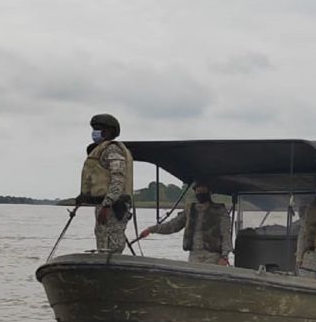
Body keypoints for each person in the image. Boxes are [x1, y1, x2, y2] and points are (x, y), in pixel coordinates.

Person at [138, 181, 232, 265]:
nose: (200, 194)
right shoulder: (190, 211)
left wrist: (224, 257)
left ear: (209, 192)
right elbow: (172, 226)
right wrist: (151, 229)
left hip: (213, 257)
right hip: (194, 256)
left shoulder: (220, 211)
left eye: (203, 191)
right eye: (198, 191)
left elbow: (226, 234)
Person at [78, 113, 133, 253]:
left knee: (112, 246)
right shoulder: (101, 150)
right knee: (103, 243)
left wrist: (107, 204)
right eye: (94, 128)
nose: (94, 132)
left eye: (98, 128)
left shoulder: (112, 150)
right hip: (104, 205)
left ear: (108, 131)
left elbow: (118, 178)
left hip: (113, 207)